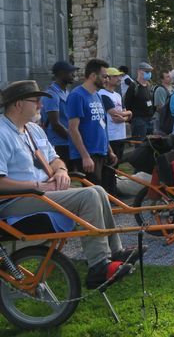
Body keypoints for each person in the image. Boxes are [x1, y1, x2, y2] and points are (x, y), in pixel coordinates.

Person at [0, 80, 140, 289]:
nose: (41, 105)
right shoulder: (2, 133)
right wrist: (37, 185)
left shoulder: (33, 130)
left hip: (39, 194)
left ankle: (115, 252)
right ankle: (99, 266)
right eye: (36, 101)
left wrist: (62, 171)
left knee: (98, 190)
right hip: (15, 201)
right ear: (18, 104)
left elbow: (54, 158)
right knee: (89, 195)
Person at [67, 59, 119, 194]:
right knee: (93, 194)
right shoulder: (77, 95)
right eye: (104, 76)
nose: (106, 80)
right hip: (88, 153)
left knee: (104, 192)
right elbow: (73, 129)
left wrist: (109, 150)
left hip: (101, 151)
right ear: (93, 76)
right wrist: (84, 156)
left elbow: (101, 125)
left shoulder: (97, 95)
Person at [99, 68, 132, 195]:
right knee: (110, 166)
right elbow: (114, 113)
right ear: (108, 78)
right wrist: (126, 115)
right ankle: (109, 192)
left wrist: (127, 114)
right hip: (111, 135)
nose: (119, 79)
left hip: (120, 134)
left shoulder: (117, 95)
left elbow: (124, 112)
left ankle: (114, 190)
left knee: (116, 166)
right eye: (116, 76)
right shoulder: (103, 94)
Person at [41, 60, 78, 167]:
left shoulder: (66, 92)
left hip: (68, 141)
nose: (74, 75)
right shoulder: (52, 94)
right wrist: (74, 139)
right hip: (59, 143)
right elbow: (55, 124)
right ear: (61, 73)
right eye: (71, 72)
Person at [124, 62, 155, 142]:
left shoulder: (149, 85)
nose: (149, 74)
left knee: (150, 144)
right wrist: (132, 119)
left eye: (150, 72)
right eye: (147, 71)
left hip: (150, 120)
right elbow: (127, 103)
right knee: (140, 145)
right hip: (138, 121)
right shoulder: (133, 86)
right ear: (139, 72)